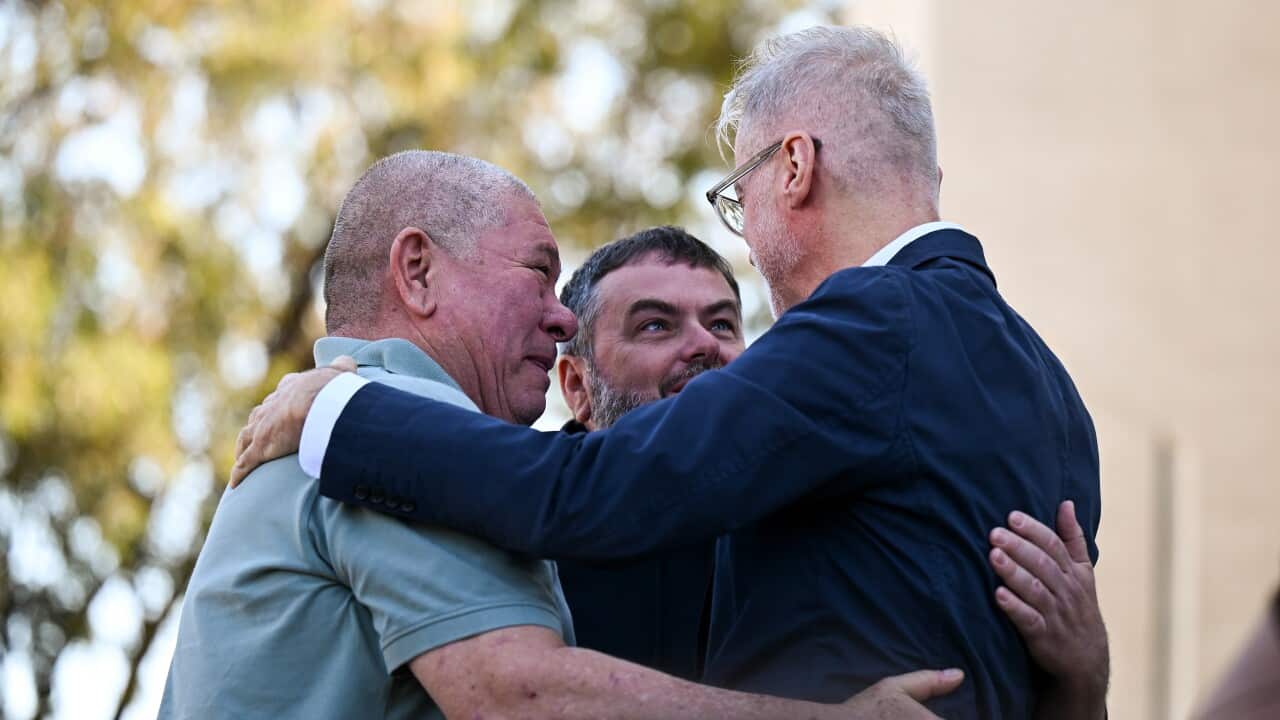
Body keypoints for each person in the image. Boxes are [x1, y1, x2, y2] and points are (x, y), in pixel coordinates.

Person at [232, 26, 1106, 718]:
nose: (748, 248)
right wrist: (1083, 688)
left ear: (795, 168)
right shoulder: (1059, 402)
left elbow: (590, 490)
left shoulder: (872, 321)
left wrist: (340, 414)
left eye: (740, 199)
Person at [161, 150, 965, 719]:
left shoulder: (360, 423)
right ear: (417, 272)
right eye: (538, 273)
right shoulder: (393, 430)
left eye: (726, 322)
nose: (559, 315)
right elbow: (521, 696)